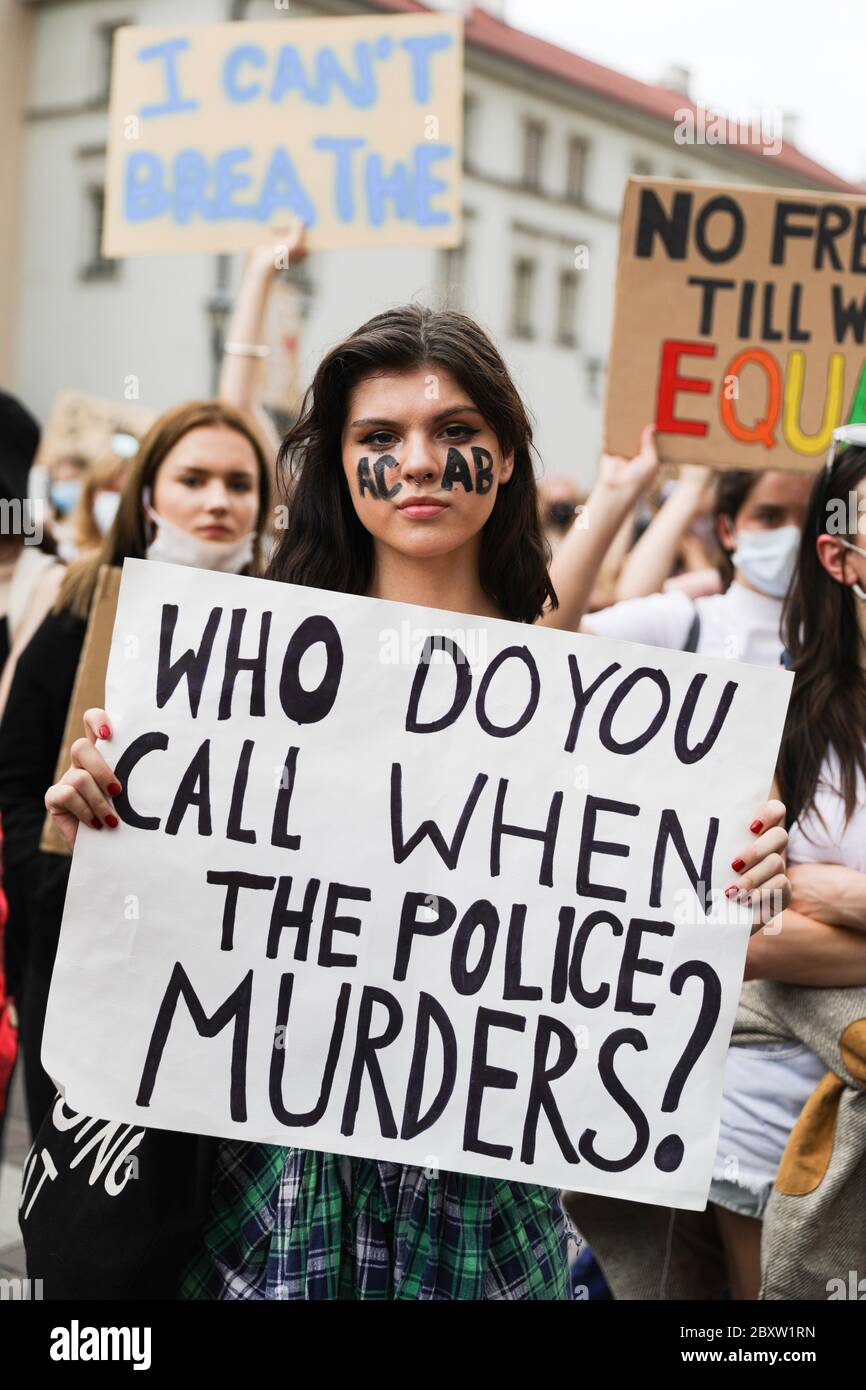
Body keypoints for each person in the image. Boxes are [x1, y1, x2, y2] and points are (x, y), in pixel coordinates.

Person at [44, 305, 791, 1301]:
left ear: (506, 457)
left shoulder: (608, 713)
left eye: (455, 434)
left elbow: (660, 942)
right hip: (275, 1192)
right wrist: (101, 812)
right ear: (339, 467)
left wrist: (747, 879)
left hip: (484, 1202)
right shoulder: (241, 674)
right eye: (379, 438)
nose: (420, 463)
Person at [0, 399, 271, 1139]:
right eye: (195, 477)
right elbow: (17, 772)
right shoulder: (84, 600)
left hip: (223, 953)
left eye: (240, 483)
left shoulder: (293, 628)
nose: (218, 500)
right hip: (83, 940)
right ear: (151, 493)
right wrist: (49, 876)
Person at [709, 426, 866, 1298]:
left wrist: (829, 892)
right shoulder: (776, 714)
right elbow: (751, 940)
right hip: (771, 1112)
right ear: (840, 556)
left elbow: (791, 922)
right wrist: (791, 906)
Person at [577, 467, 813, 664]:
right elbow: (550, 636)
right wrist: (611, 491)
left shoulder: (842, 641)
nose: (794, 534)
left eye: (810, 519)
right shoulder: (683, 622)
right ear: (727, 529)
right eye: (769, 517)